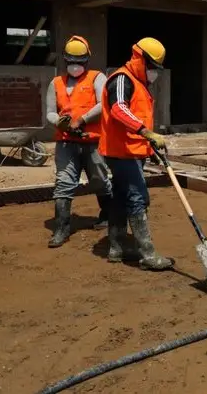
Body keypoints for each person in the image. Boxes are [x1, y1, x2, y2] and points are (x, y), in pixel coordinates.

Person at [98, 37, 173, 271]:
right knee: (138, 197)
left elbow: (138, 116)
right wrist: (146, 133)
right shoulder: (122, 79)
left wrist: (148, 148)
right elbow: (118, 109)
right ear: (140, 59)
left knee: (120, 198)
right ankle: (147, 254)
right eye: (151, 67)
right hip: (122, 152)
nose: (154, 73)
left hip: (132, 150)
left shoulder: (140, 83)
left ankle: (117, 248)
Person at [45, 35, 113, 248]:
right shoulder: (55, 83)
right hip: (66, 143)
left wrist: (82, 120)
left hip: (93, 142)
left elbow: (103, 105)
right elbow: (49, 112)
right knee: (63, 183)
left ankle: (108, 216)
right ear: (65, 61)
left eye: (80, 62)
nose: (75, 66)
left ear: (87, 61)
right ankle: (62, 228)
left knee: (100, 179)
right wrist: (61, 122)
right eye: (71, 62)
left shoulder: (97, 78)